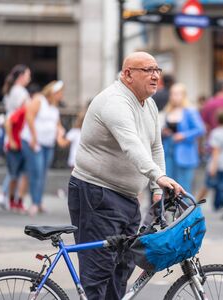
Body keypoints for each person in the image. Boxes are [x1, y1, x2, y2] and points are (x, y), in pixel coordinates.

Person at [68, 52, 185, 300]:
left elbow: (155, 148)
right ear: (128, 74)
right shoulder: (115, 101)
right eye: (147, 70)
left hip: (127, 196)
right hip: (96, 192)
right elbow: (131, 145)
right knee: (98, 270)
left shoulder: (149, 103)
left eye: (157, 70)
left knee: (122, 268)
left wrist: (156, 186)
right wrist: (159, 177)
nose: (155, 75)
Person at [21, 80, 64, 216]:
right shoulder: (39, 100)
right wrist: (34, 137)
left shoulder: (54, 107)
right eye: (59, 93)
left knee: (43, 174)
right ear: (53, 92)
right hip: (35, 143)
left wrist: (60, 132)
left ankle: (39, 202)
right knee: (36, 173)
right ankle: (34, 202)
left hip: (48, 144)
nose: (61, 95)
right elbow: (29, 117)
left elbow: (57, 125)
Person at [0, 65, 32, 211]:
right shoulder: (20, 92)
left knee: (16, 172)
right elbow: (17, 117)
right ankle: (9, 197)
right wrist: (12, 138)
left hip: (15, 135)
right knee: (18, 172)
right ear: (21, 76)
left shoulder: (11, 91)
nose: (29, 78)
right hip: (18, 135)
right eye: (28, 75)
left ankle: (11, 199)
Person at [161, 83, 205, 193]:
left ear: (183, 95)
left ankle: (187, 210)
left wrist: (184, 135)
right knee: (169, 187)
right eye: (172, 94)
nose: (174, 96)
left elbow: (200, 129)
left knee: (184, 188)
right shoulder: (168, 111)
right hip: (168, 154)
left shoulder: (190, 111)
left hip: (185, 153)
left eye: (177, 94)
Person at [197, 111, 223, 218]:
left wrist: (213, 167)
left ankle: (195, 205)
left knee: (206, 185)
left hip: (217, 163)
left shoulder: (215, 133)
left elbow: (215, 151)